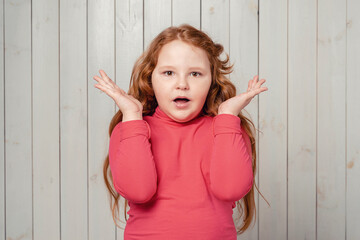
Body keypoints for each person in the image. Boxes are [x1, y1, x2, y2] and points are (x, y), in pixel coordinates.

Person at [93, 24, 268, 240]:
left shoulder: (226, 129)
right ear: (150, 79)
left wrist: (227, 116)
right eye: (168, 73)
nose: (182, 84)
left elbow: (231, 189)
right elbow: (138, 190)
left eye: (195, 73)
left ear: (212, 81)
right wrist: (131, 115)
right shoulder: (130, 129)